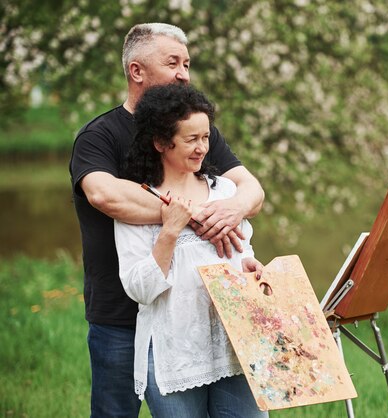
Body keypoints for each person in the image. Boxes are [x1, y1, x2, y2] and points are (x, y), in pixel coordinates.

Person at [69, 23, 264, 417]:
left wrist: (232, 210)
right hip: (119, 314)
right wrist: (187, 216)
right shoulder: (99, 135)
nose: (183, 73)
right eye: (172, 62)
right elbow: (104, 195)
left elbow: (249, 190)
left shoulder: (195, 130)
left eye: (187, 64)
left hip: (199, 319)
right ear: (136, 71)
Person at [114, 83, 267, 417]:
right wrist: (169, 231)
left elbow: (242, 253)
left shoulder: (226, 191)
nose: (203, 149)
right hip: (175, 356)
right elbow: (139, 289)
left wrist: (252, 266)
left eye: (206, 138)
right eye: (191, 139)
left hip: (235, 347)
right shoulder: (141, 203)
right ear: (160, 142)